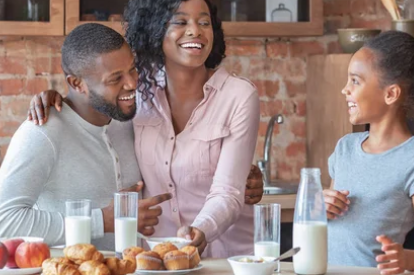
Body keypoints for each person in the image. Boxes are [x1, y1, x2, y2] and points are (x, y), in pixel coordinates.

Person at [27, 0, 262, 258]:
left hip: (228, 259)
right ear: (154, 29)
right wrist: (59, 98)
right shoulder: (138, 91)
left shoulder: (238, 95)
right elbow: (94, 100)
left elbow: (227, 191)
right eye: (181, 22)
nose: (195, 31)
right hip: (156, 257)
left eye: (204, 22)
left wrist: (200, 230)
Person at [0, 23, 172, 250]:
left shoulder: (129, 119)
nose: (132, 83)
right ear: (76, 83)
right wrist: (103, 221)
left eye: (132, 69)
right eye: (115, 79)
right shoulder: (42, 132)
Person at [324, 31, 414, 274]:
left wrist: (407, 259)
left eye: (355, 81)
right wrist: (320, 208)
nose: (345, 89)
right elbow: (331, 223)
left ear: (391, 94)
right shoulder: (345, 147)